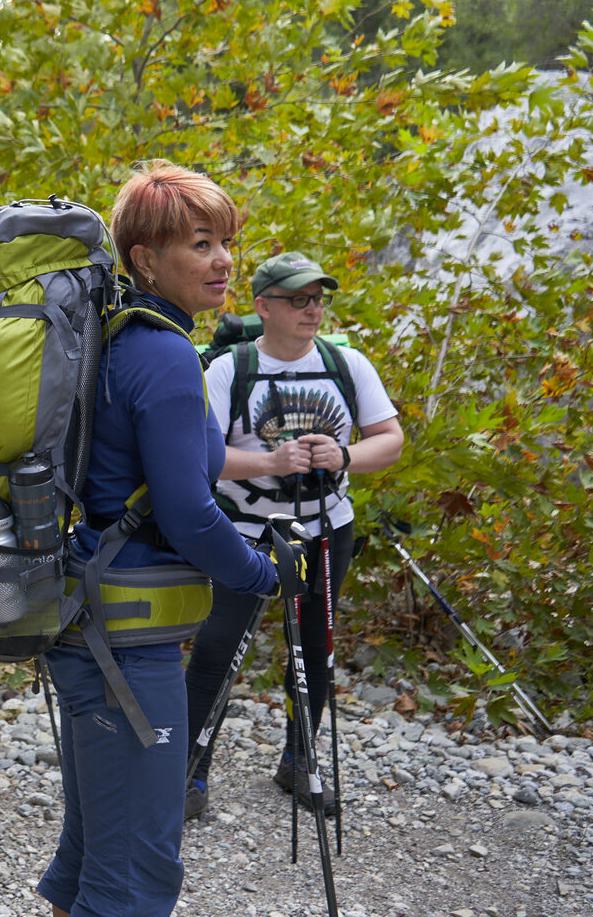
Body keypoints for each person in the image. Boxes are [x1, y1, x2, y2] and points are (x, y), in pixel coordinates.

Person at [38, 163, 295, 917]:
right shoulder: (168, 356)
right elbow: (187, 514)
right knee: (137, 873)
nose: (223, 262)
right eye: (201, 244)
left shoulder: (112, 340)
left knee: (91, 847)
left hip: (88, 611)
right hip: (129, 635)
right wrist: (262, 575)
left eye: (227, 244)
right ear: (145, 259)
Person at [183, 251, 404, 819]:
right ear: (264, 306)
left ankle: (299, 762)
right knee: (217, 648)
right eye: (299, 299)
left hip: (329, 528)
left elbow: (391, 440)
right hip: (243, 532)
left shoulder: (347, 364)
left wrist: (345, 454)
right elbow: (197, 460)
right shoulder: (228, 370)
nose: (313, 309)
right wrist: (272, 463)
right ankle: (188, 772)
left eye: (319, 298)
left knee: (314, 647)